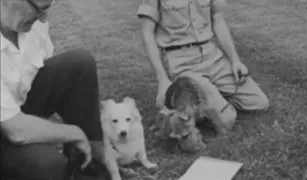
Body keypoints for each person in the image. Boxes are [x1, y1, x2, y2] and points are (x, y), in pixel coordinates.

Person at [0, 0, 110, 179]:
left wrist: (92, 134)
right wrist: (73, 133)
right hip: (7, 129)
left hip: (17, 108)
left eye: (47, 8)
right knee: (48, 165)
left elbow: (53, 84)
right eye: (39, 10)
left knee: (79, 64)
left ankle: (96, 160)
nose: (43, 18)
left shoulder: (32, 25)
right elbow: (15, 131)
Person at [137, 0, 269, 129]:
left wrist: (235, 60)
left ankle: (198, 101)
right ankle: (189, 100)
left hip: (212, 56)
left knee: (259, 102)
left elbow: (218, 21)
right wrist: (162, 79)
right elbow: (147, 32)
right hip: (181, 62)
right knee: (227, 120)